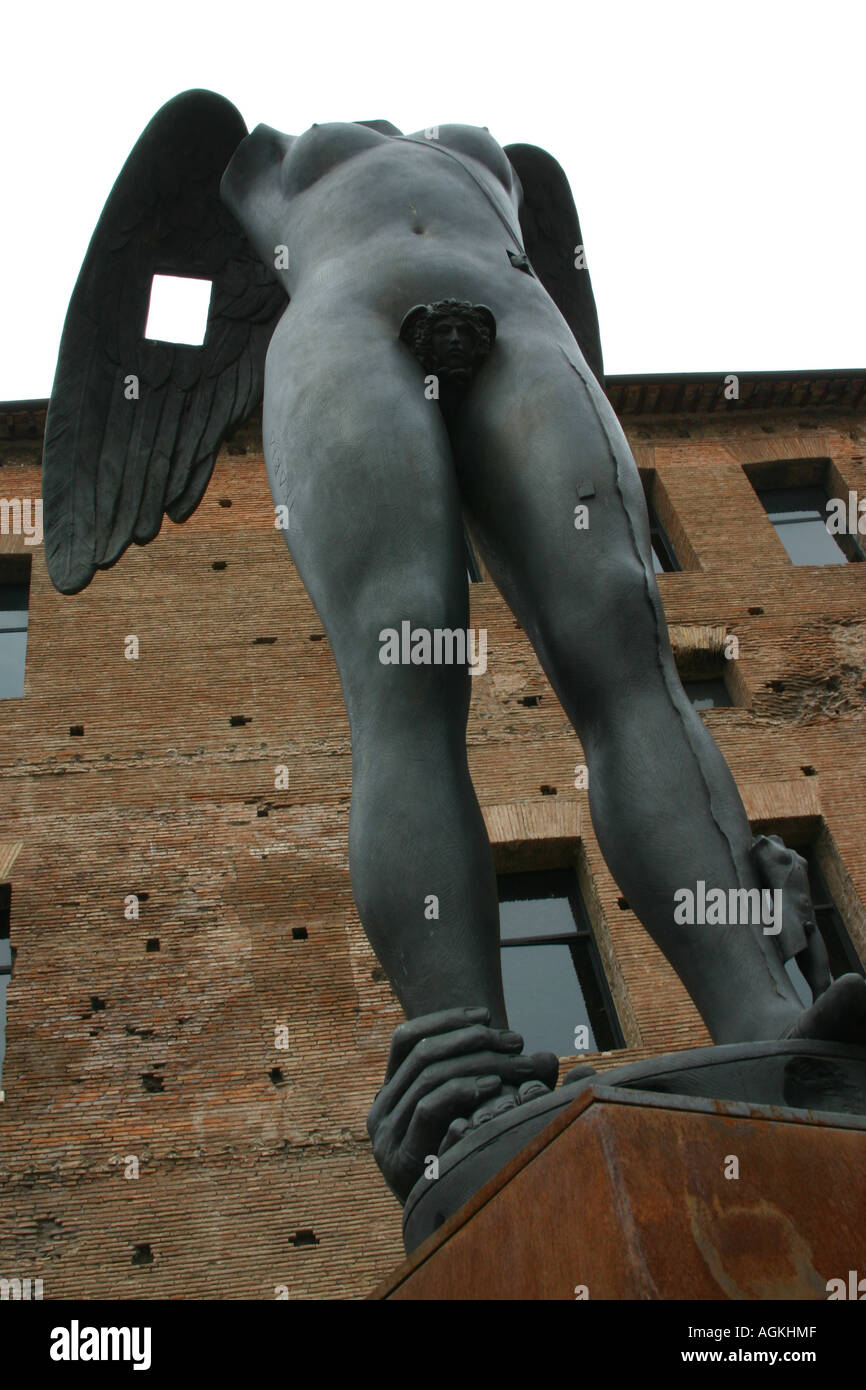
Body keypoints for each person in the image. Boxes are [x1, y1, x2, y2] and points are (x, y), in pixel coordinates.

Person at [218, 119, 866, 1198]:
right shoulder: (256, 155)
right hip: (343, 316)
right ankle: (461, 1063)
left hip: (515, 310)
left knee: (622, 629)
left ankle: (762, 1009)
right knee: (405, 660)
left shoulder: (500, 157)